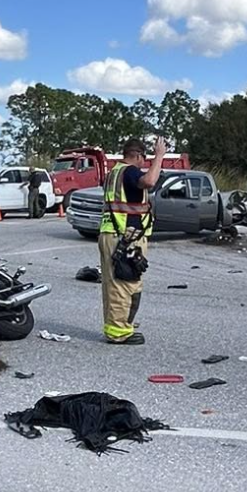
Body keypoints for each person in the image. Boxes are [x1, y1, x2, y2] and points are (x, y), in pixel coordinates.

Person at [99, 136, 165, 344]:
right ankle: (118, 332)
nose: (145, 164)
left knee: (119, 283)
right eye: (144, 160)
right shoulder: (129, 171)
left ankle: (119, 325)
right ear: (136, 155)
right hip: (124, 236)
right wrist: (160, 156)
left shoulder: (114, 173)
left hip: (114, 234)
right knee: (123, 284)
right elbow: (149, 181)